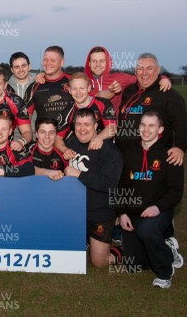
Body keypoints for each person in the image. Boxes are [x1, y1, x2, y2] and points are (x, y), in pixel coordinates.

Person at [118, 112, 184, 288]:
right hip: (134, 212)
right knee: (134, 265)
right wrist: (122, 212)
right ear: (138, 128)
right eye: (143, 125)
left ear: (160, 129)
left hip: (158, 211)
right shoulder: (129, 152)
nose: (146, 130)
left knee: (146, 231)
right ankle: (168, 249)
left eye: (152, 126)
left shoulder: (170, 154)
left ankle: (164, 273)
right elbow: (121, 185)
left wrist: (158, 207)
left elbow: (176, 191)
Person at [63, 108, 123, 268]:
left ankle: (125, 250)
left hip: (99, 212)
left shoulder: (109, 150)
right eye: (78, 124)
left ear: (96, 126)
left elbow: (110, 183)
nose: (82, 129)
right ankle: (85, 238)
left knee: (99, 263)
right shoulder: (71, 143)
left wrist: (79, 174)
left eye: (87, 125)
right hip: (74, 210)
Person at [116, 53, 187, 167]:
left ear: (158, 70)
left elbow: (182, 125)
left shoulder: (169, 95)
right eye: (140, 68)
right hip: (124, 158)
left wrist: (180, 148)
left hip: (153, 161)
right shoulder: (128, 91)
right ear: (135, 71)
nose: (144, 73)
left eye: (149, 68)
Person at [84, 46, 170, 114]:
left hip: (112, 130)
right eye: (94, 61)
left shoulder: (119, 78)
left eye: (102, 61)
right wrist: (112, 92)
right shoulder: (83, 81)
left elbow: (143, 77)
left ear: (107, 62)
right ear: (89, 63)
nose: (98, 64)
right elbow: (97, 96)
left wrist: (163, 78)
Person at [55, 72, 116, 158]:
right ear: (69, 90)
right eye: (74, 89)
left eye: (82, 88)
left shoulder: (103, 103)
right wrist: (65, 150)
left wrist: (98, 138)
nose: (78, 92)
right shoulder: (67, 111)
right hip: (81, 153)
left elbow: (112, 128)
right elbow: (57, 138)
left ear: (89, 88)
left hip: (104, 150)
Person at [25, 46, 72, 120]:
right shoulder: (34, 87)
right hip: (44, 131)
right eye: (45, 60)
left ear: (62, 62)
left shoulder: (73, 82)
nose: (48, 63)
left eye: (52, 60)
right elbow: (25, 119)